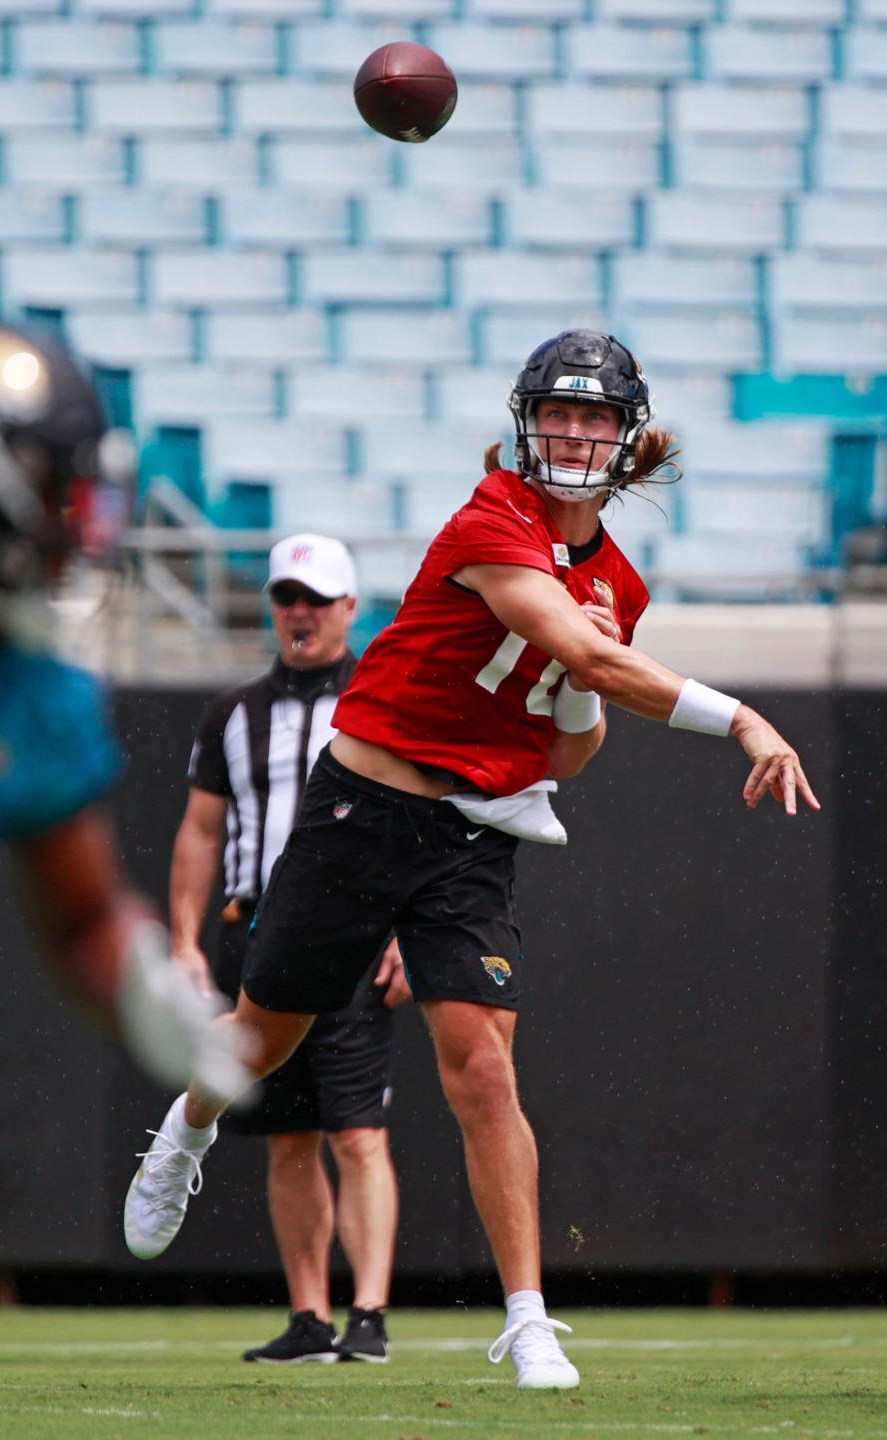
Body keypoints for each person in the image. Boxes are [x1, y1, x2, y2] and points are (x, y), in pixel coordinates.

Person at [123, 330, 820, 1390]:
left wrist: (587, 679)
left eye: (595, 419)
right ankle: (186, 1126)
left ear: (623, 437)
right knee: (262, 1040)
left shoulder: (618, 583)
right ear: (525, 422)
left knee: (486, 1074)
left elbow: (571, 745)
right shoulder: (493, 515)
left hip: (475, 831)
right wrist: (740, 720)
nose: (574, 434)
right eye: (558, 414)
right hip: (364, 802)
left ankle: (530, 1319)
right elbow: (581, 649)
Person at [0, 310, 250, 1103]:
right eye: (54, 494)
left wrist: (143, 981)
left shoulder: (29, 691)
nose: (77, 532)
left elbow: (82, 916)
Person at [133, 533, 408, 1364]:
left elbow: (418, 820)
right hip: (254, 933)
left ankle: (370, 1314)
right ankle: (310, 1317)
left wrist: (404, 926)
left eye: (317, 600)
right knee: (288, 1139)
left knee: (358, 1133)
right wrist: (183, 939)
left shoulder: (385, 697)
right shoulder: (233, 714)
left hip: (358, 933)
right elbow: (201, 831)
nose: (301, 614)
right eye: (288, 597)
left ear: (350, 610)